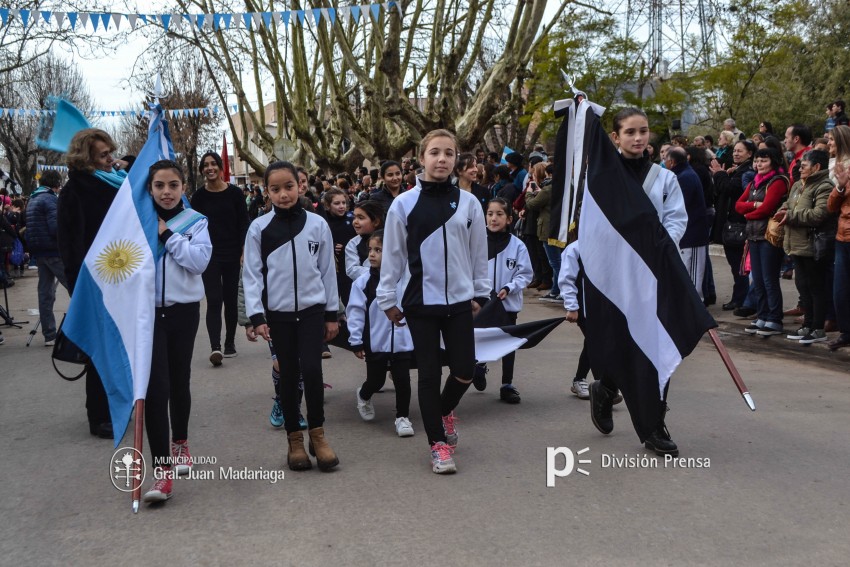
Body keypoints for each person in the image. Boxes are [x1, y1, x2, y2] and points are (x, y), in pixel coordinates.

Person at [576, 107, 688, 456]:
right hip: (613, 277)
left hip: (653, 275)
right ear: (615, 137)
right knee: (620, 341)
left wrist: (661, 248)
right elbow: (592, 228)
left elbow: (675, 219)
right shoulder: (601, 179)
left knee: (655, 344)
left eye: (644, 131)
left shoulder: (664, 178)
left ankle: (654, 424)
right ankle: (606, 388)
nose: (638, 138)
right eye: (630, 132)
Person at [377, 129, 489, 474]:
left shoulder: (469, 203)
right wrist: (388, 298)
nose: (442, 159)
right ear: (422, 158)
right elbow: (392, 256)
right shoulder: (403, 204)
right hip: (418, 302)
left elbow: (478, 253)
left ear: (457, 160)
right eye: (435, 153)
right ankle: (438, 444)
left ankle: (442, 412)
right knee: (427, 374)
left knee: (466, 370)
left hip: (459, 301)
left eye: (449, 154)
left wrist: (480, 291)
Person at [243, 161, 340, 472]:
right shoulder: (259, 228)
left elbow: (327, 272)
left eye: (289, 187)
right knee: (288, 375)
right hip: (279, 315)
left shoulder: (317, 224)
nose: (283, 194)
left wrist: (331, 314)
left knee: (312, 371)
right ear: (266, 192)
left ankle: (318, 435)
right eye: (275, 189)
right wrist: (256, 316)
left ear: (301, 185)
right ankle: (294, 440)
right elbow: (252, 275)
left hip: (312, 311)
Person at [141, 160, 212, 504]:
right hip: (148, 315)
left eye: (173, 185)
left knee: (179, 380)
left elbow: (198, 263)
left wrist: (167, 235)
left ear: (183, 186)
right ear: (149, 188)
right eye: (159, 186)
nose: (166, 192)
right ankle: (163, 472)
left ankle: (180, 441)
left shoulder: (196, 222)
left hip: (184, 312)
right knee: (157, 388)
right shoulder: (136, 221)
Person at [57, 128, 133, 440]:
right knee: (99, 349)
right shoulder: (75, 190)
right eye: (104, 155)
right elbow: (68, 244)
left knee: (122, 346)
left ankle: (121, 404)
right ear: (87, 158)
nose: (110, 159)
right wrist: (78, 287)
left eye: (110, 153)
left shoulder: (114, 183)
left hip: (121, 275)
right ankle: (99, 415)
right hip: (93, 281)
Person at [348, 230, 415, 437]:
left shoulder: (407, 279)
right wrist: (356, 340)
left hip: (403, 341)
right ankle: (364, 394)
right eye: (370, 250)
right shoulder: (363, 282)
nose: (372, 255)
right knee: (376, 381)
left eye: (378, 250)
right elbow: (355, 312)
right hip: (375, 341)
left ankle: (402, 417)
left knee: (403, 380)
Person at [190, 151, 250, 366]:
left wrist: (244, 250)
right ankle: (216, 347)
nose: (210, 168)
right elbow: (193, 227)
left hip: (233, 253)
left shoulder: (235, 194)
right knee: (214, 299)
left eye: (213, 164)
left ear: (220, 167)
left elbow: (244, 223)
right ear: (202, 170)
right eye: (205, 165)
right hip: (209, 256)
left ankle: (230, 342)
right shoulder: (198, 197)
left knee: (231, 299)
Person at [774, 150, 837, 344]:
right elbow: (787, 203)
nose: (799, 168)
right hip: (796, 244)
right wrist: (783, 210)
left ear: (817, 167)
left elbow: (819, 214)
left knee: (816, 287)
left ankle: (818, 328)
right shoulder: (798, 185)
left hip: (812, 245)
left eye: (804, 165)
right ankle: (807, 325)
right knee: (803, 286)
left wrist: (790, 216)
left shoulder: (824, 186)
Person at [476, 198, 532, 403]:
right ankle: (478, 366)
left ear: (509, 219)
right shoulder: (476, 242)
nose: (494, 218)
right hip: (480, 303)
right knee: (479, 338)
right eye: (490, 214)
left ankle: (506, 384)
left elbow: (525, 274)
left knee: (508, 343)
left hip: (506, 304)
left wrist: (510, 287)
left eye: (499, 214)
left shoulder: (518, 246)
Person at [735, 147, 790, 336]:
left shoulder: (779, 181)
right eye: (757, 161)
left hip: (768, 236)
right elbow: (737, 205)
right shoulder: (754, 183)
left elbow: (767, 209)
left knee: (769, 279)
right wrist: (754, 205)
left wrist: (749, 212)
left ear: (773, 161)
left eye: (764, 161)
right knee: (757, 280)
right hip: (753, 235)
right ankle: (762, 315)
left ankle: (774, 319)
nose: (759, 165)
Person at [25, 170, 69, 346]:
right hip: (54, 251)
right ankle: (84, 330)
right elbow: (55, 227)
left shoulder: (33, 198)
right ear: (56, 184)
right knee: (76, 287)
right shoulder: (50, 199)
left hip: (39, 252)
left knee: (45, 294)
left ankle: (49, 335)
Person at [710, 140, 756, 310]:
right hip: (732, 223)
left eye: (740, 151)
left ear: (750, 154)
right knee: (737, 265)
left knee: (739, 266)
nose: (736, 153)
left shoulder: (747, 171)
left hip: (739, 224)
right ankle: (740, 298)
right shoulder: (738, 169)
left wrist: (719, 174)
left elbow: (729, 188)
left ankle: (740, 299)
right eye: (735, 151)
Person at [666, 147, 709, 300]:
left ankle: (695, 311)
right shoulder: (683, 175)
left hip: (693, 235)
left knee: (693, 277)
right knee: (687, 273)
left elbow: (681, 206)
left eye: (665, 159)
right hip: (688, 234)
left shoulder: (685, 177)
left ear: (672, 161)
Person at [523, 163, 561, 302]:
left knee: (555, 262)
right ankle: (557, 289)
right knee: (556, 261)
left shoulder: (548, 189)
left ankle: (557, 290)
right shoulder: (563, 186)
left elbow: (532, 204)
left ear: (548, 174)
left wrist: (529, 192)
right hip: (558, 227)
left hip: (547, 229)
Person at [322, 187, 357, 305]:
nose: (341, 206)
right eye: (336, 203)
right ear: (328, 205)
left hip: (351, 265)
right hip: (334, 270)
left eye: (343, 202)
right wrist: (330, 246)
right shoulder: (323, 223)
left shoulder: (352, 220)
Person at [345, 200, 384, 287]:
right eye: (354, 217)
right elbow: (352, 270)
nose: (355, 221)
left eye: (361, 218)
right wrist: (376, 272)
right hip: (366, 288)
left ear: (376, 221)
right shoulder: (353, 244)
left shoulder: (390, 239)